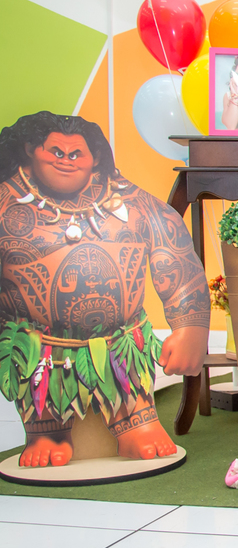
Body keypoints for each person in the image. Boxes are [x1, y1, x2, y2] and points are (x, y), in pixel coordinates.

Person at [0, 112, 209, 468]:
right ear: (31, 149)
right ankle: (46, 432)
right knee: (43, 405)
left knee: (134, 404)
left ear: (95, 157)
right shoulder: (7, 202)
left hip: (122, 343)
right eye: (56, 152)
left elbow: (172, 249)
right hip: (40, 349)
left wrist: (191, 324)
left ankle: (137, 422)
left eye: (76, 153)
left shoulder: (128, 199)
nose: (66, 161)